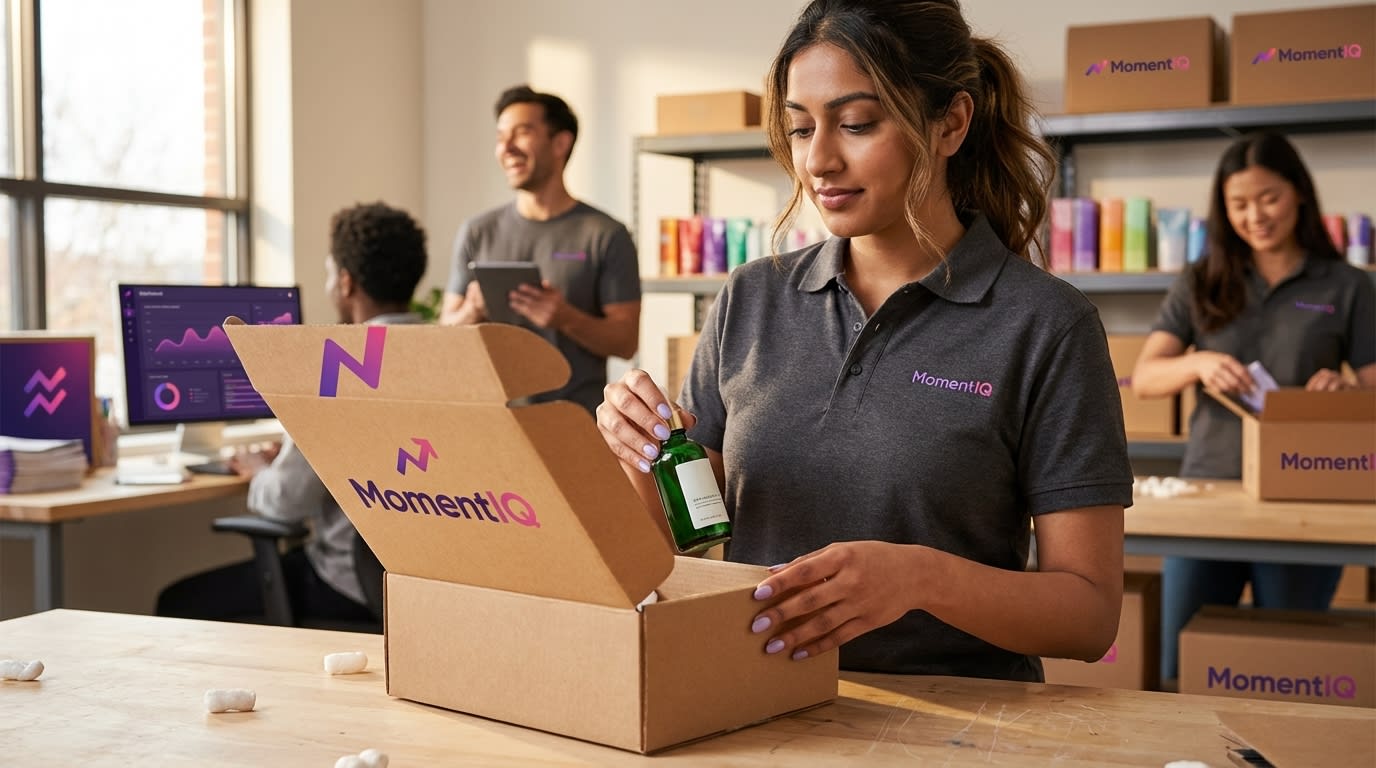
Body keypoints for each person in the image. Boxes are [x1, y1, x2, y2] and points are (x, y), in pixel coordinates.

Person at [596, 0, 1132, 681]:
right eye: (800, 128)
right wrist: (639, 454)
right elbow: (677, 543)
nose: (818, 160)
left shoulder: (1045, 324)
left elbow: (1089, 617)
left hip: (958, 723)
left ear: (950, 123)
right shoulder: (751, 299)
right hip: (757, 702)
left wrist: (921, 578)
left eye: (856, 124)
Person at [1131, 131, 1376, 683]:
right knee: (1182, 668)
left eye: (1269, 198)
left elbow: (1372, 394)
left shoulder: (1346, 285)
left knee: (1289, 669)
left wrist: (1347, 396)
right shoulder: (1202, 280)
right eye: (1238, 204)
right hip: (1208, 492)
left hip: (1303, 494)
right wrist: (1197, 363)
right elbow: (1145, 378)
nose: (1255, 216)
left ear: (1299, 193)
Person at [156, 202, 429, 624]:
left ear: (346, 282)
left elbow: (286, 501)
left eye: (329, 273)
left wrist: (257, 472)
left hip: (348, 583)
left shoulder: (344, 368)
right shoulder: (442, 357)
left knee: (176, 603)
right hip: (419, 588)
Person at [439, 85, 641, 415]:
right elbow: (444, 337)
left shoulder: (606, 235)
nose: (506, 147)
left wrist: (565, 317)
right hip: (492, 422)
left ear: (560, 143)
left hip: (574, 424)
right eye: (501, 136)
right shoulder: (477, 231)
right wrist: (471, 311)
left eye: (522, 133)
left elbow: (626, 341)